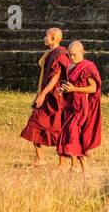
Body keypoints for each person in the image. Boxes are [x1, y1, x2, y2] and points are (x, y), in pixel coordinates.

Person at [20, 27, 70, 165]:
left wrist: (43, 94)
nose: (44, 38)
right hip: (43, 92)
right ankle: (40, 158)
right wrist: (38, 94)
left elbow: (56, 77)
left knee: (58, 128)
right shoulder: (49, 52)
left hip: (54, 96)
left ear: (53, 38)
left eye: (46, 36)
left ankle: (62, 163)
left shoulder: (60, 53)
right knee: (34, 123)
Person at [57, 41, 102, 173]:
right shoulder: (70, 66)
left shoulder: (88, 66)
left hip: (81, 106)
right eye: (70, 55)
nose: (71, 57)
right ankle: (78, 167)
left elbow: (93, 88)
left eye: (74, 55)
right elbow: (69, 87)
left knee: (72, 131)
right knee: (70, 134)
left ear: (82, 52)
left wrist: (74, 89)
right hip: (69, 105)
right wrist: (64, 90)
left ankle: (79, 167)